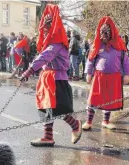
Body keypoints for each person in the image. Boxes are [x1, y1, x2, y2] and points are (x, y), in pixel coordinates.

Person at [19, 4, 82, 147]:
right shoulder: (50, 43)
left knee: (57, 109)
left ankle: (75, 126)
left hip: (56, 80)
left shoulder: (57, 44)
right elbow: (43, 56)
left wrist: (29, 70)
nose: (45, 30)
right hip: (47, 79)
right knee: (46, 108)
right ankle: (48, 137)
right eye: (44, 28)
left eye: (48, 27)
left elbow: (44, 57)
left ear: (54, 27)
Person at [82, 16, 129, 131]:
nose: (104, 36)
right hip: (99, 77)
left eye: (106, 33)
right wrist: (88, 74)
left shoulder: (119, 44)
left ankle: (105, 121)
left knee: (109, 100)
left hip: (114, 77)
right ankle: (88, 121)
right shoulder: (97, 44)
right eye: (102, 33)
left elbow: (125, 61)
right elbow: (91, 59)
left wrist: (127, 75)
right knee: (94, 99)